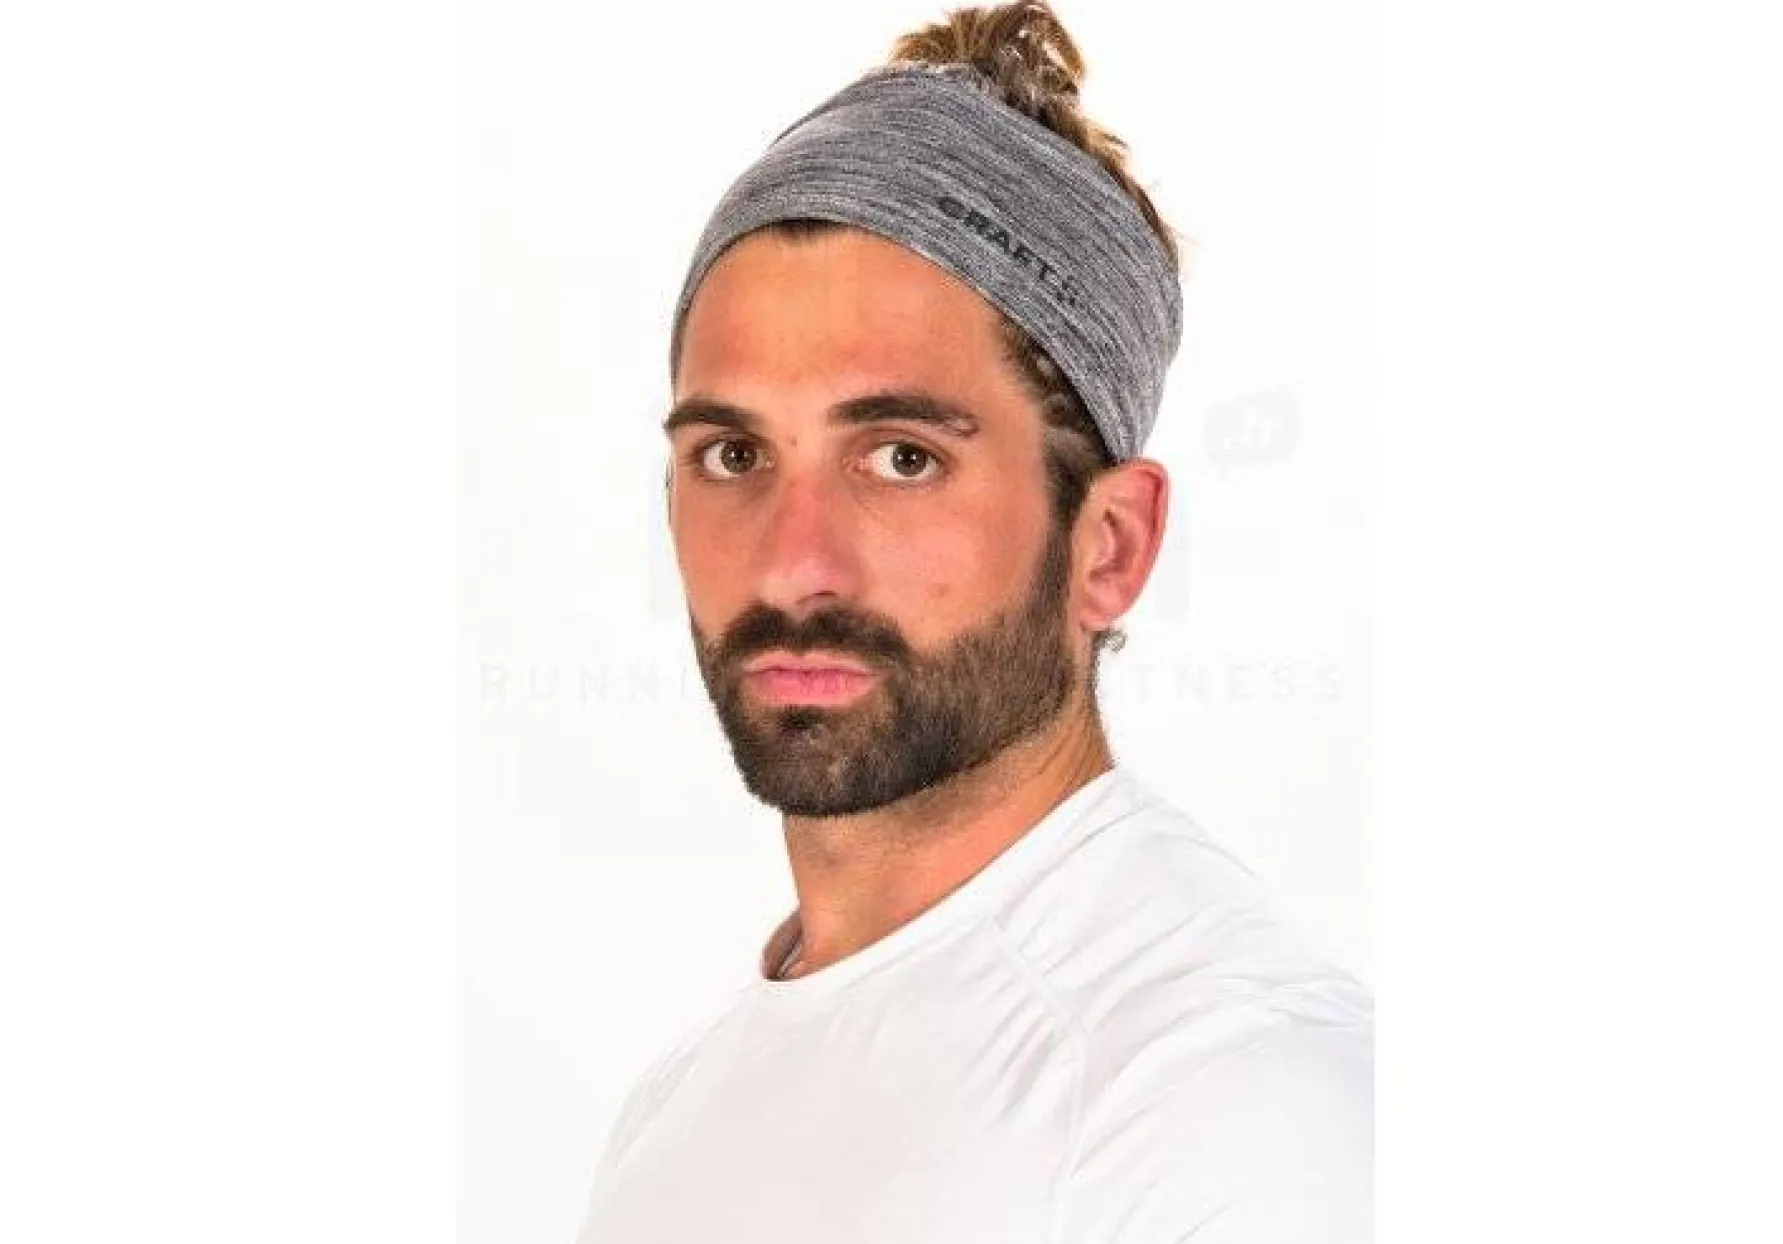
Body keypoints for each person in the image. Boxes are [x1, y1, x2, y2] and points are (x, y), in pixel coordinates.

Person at [575, 3, 1371, 1240]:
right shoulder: (676, 1103)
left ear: (1108, 544)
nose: (793, 563)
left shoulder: (1228, 1094)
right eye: (733, 453)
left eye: (901, 457)